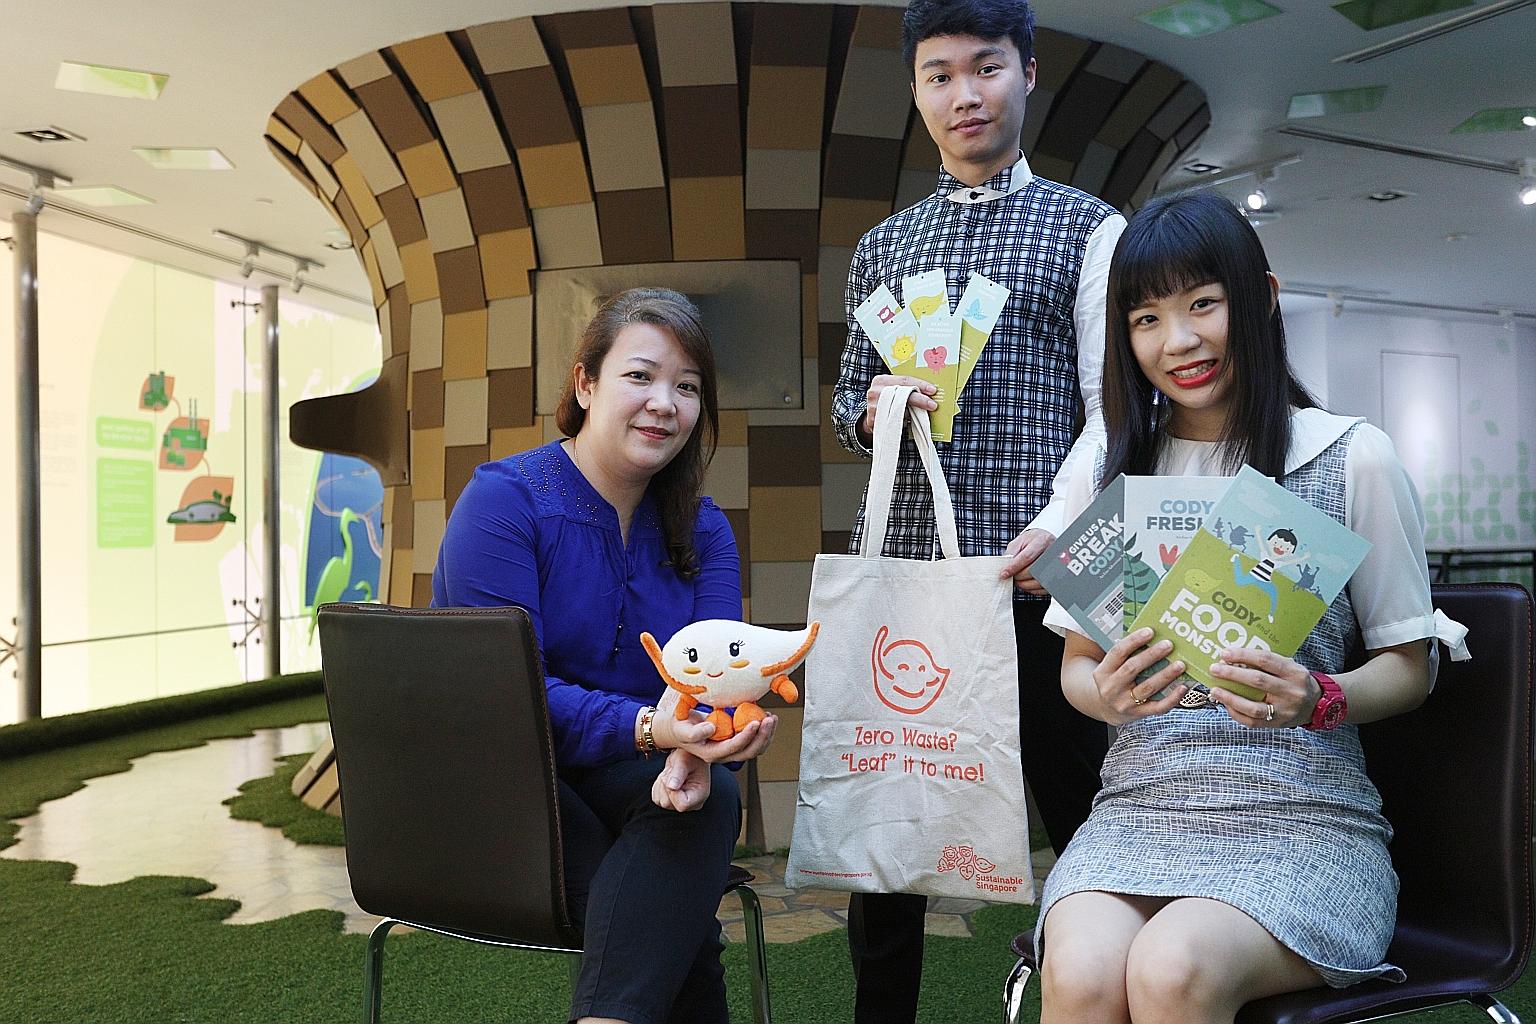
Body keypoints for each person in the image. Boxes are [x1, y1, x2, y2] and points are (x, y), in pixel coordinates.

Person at [1036, 191, 1461, 1023]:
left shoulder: (1348, 458)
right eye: (1147, 317)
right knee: (1082, 975)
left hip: (1303, 820)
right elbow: (1076, 673)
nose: (1179, 341)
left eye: (1204, 304)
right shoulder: (1112, 477)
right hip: (1139, 811)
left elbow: (1412, 670)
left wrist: (1318, 698)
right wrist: (1107, 695)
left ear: (1261, 297)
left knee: (1171, 968)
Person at [830, 0, 1123, 1018]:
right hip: (914, 585)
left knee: (1086, 808)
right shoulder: (883, 247)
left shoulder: (1092, 227)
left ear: (1028, 72)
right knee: (890, 831)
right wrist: (870, 410)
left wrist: (1064, 526)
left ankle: (1112, 989)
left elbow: (1115, 409)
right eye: (939, 75)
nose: (964, 94)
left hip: (1052, 573)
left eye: (985, 68)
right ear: (917, 91)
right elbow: (844, 401)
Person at [432, 287, 775, 1024]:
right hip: (507, 782)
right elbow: (506, 697)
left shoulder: (703, 528)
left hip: (628, 781)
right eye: (641, 376)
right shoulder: (505, 502)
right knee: (675, 916)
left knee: (701, 799)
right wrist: (652, 729)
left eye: (687, 388)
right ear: (585, 384)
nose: (665, 403)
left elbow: (716, 677)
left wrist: (710, 740)